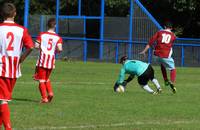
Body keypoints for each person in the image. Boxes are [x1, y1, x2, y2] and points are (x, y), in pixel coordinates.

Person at [0, 2, 34, 130]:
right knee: (4, 99)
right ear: (14, 14)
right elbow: (31, 46)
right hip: (14, 69)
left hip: (1, 67)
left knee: (2, 100)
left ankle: (8, 128)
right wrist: (21, 59)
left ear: (2, 14)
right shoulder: (22, 30)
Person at [140, 21, 177, 93]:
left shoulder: (159, 32)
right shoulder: (173, 35)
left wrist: (144, 51)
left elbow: (150, 42)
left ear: (164, 27)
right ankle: (172, 82)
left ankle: (166, 80)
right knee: (173, 69)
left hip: (156, 55)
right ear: (171, 28)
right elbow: (171, 42)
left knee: (162, 64)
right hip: (165, 55)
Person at [33, 18, 63, 103]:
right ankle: (50, 93)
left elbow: (36, 45)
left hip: (42, 60)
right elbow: (60, 49)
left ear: (47, 25)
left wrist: (42, 48)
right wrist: (54, 51)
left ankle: (44, 98)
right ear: (55, 26)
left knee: (41, 80)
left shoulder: (42, 35)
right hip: (51, 60)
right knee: (47, 78)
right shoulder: (58, 37)